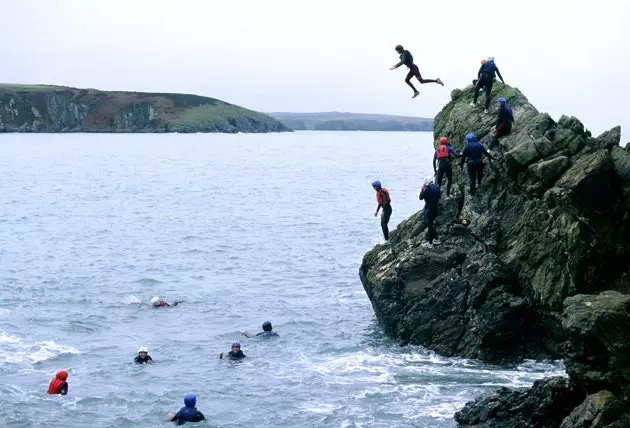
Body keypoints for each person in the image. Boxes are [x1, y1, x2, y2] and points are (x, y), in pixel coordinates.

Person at [419, 176, 441, 248]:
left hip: (429, 208)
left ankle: (436, 238)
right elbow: (438, 197)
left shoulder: (427, 189)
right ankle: (430, 242)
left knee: (429, 224)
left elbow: (421, 197)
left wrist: (422, 190)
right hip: (435, 207)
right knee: (430, 224)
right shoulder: (437, 186)